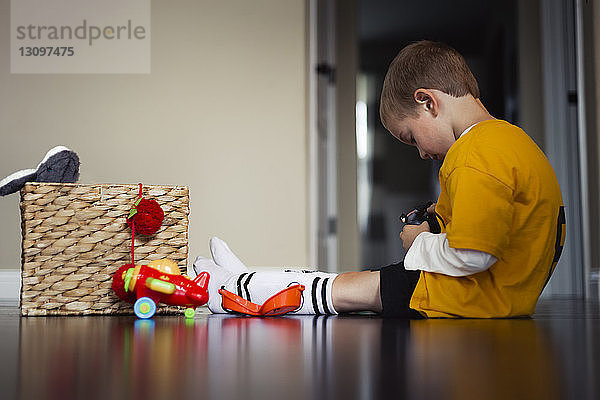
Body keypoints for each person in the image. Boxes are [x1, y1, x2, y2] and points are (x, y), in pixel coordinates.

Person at [194, 40, 565, 318]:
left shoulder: (474, 154)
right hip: (498, 300)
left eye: (411, 137)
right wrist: (436, 220)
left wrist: (420, 242)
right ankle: (245, 281)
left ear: (428, 103)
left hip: (465, 298)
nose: (421, 153)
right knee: (340, 283)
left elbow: (474, 253)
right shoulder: (512, 142)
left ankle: (226, 292)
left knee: (338, 289)